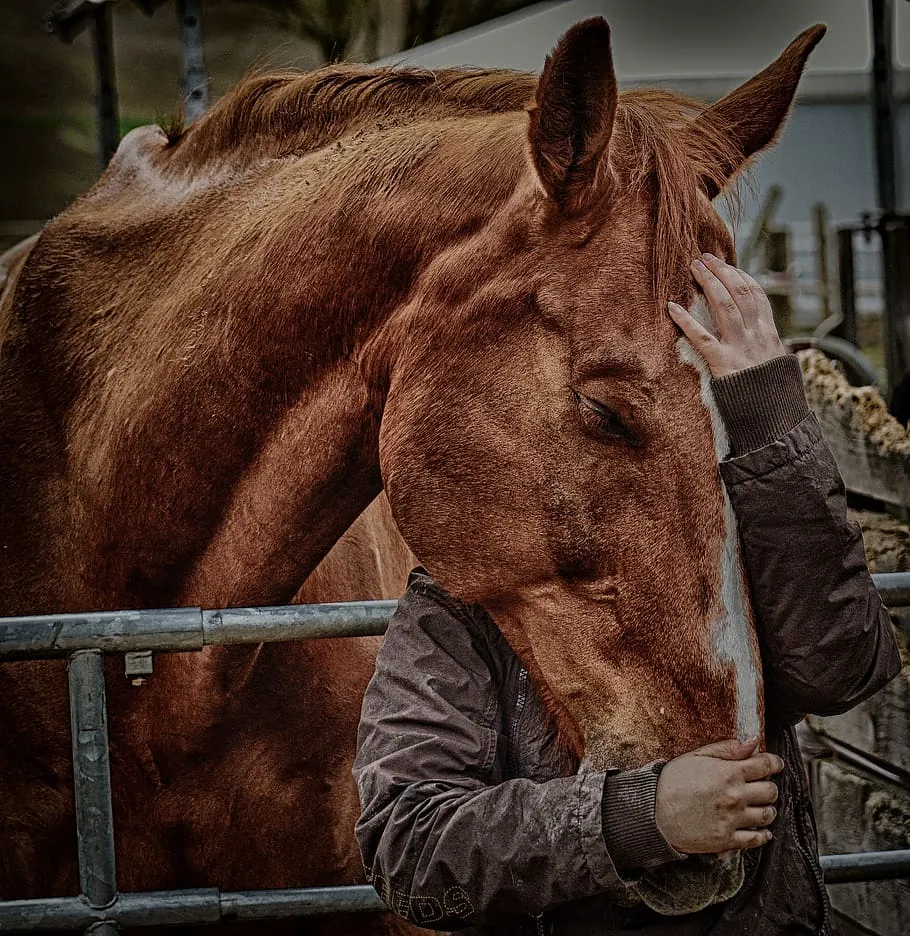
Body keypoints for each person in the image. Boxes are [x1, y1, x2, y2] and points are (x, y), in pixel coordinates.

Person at [353, 255, 901, 935]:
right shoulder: (459, 600)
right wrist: (644, 817)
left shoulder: (721, 525)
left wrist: (771, 422)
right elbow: (411, 846)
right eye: (606, 411)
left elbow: (841, 669)